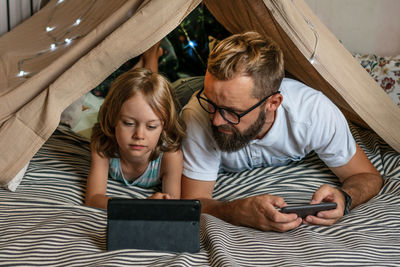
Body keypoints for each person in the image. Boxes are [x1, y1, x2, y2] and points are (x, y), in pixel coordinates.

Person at [180, 31, 383, 232]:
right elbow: (193, 202)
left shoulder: (314, 112)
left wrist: (345, 198)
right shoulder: (197, 114)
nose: (216, 120)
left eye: (233, 112)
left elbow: (367, 176)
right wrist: (236, 211)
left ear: (273, 103)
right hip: (185, 89)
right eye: (211, 103)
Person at [84, 66, 186, 209]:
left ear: (164, 126)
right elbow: (93, 199)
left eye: (151, 126)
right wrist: (141, 206)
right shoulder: (103, 145)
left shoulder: (170, 157)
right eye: (129, 123)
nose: (139, 135)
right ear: (113, 119)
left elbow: (173, 207)